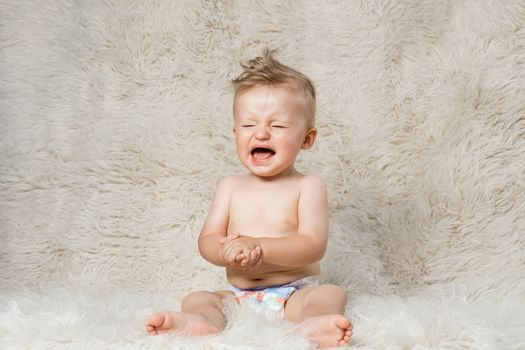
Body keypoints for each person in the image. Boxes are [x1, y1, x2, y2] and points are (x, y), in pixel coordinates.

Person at [145, 49, 353, 348]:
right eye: (248, 125)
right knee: (198, 298)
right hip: (238, 296)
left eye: (277, 125)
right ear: (235, 133)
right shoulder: (229, 186)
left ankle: (310, 327)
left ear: (307, 139)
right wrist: (225, 252)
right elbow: (208, 240)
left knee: (330, 294)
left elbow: (313, 246)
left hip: (293, 294)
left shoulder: (308, 186)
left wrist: (259, 247)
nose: (261, 134)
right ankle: (201, 323)